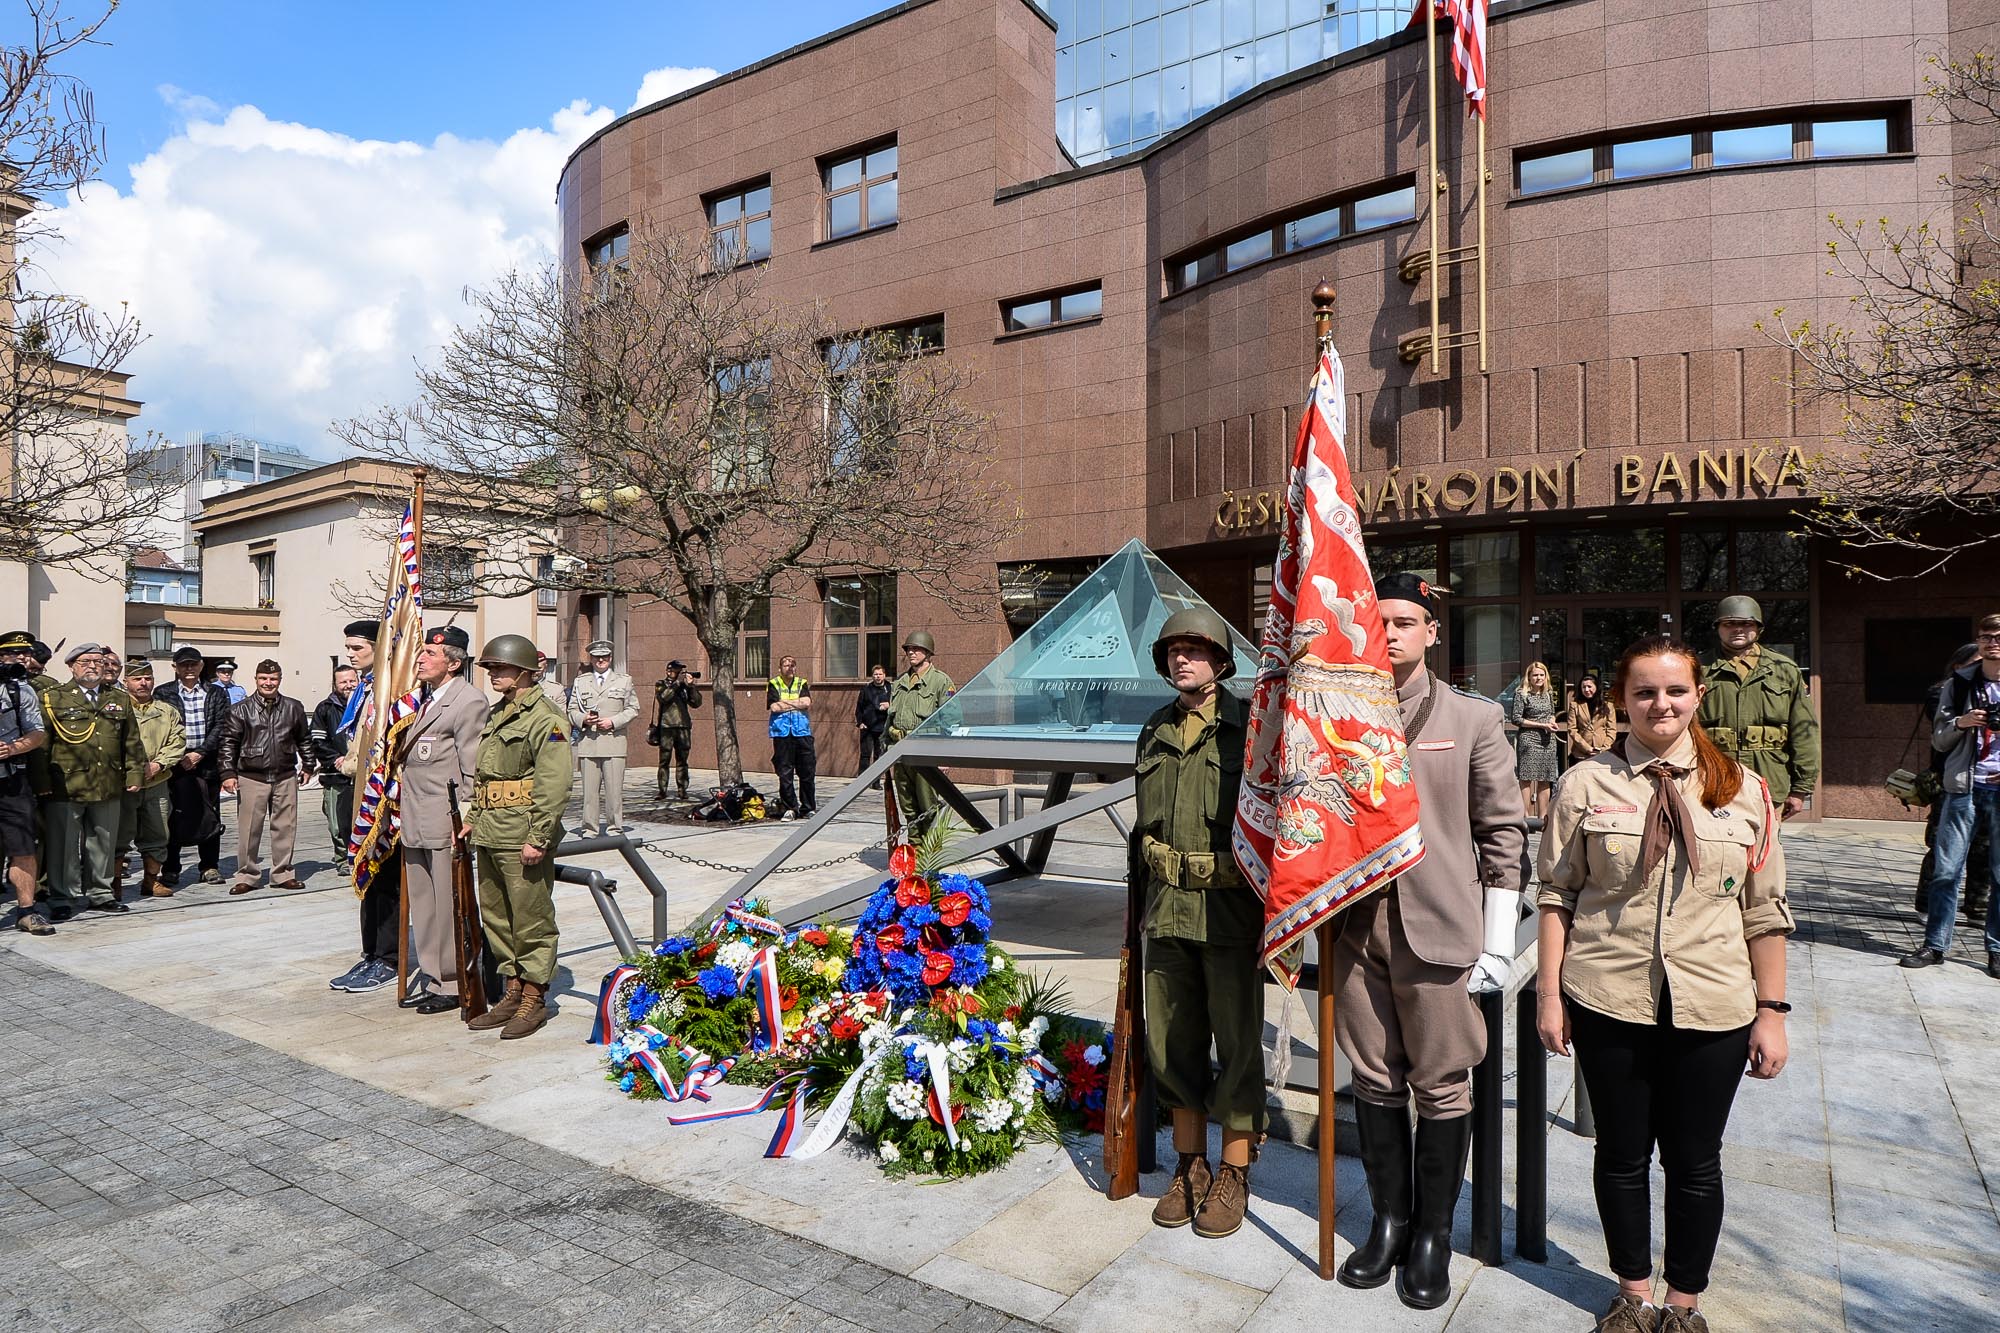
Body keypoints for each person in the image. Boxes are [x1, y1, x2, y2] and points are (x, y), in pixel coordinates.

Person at [1537, 635, 1793, 1333]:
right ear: (1622, 698)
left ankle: (1684, 1304)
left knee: (1694, 1160)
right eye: (1644, 691)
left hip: (1713, 1006)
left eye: (1675, 690)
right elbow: (1557, 894)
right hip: (1607, 998)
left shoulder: (1743, 788)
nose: (1660, 703)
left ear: (1698, 696)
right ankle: (1633, 1291)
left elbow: (1765, 911)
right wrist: (1550, 995)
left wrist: (1771, 1012)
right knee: (1619, 1155)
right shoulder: (1585, 783)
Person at [1334, 574, 1529, 1308]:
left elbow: (1502, 831)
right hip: (1358, 927)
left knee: (1442, 1083)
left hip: (1441, 931)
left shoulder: (1473, 718)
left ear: (1431, 633)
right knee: (1375, 1079)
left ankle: (1431, 1236)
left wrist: (1499, 940)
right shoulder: (1341, 717)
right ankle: (1388, 1218)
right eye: (1379, 620)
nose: (1391, 633)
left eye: (1406, 621)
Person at [1132, 608, 1261, 1239]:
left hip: (1229, 917)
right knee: (1172, 1045)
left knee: (1236, 1046)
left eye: (1194, 650)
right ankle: (1191, 1165)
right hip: (1167, 916)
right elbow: (1144, 830)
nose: (1181, 660)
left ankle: (1235, 1169)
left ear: (1220, 660)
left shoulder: (1250, 729)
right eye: (1173, 652)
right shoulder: (1153, 730)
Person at [467, 634, 575, 1039]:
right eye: (491, 668)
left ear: (525, 671)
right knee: (496, 916)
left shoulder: (546, 718)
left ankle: (534, 996)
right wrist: (474, 818)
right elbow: (487, 776)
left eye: (500, 667)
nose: (493, 673)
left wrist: (539, 837)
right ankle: (512, 989)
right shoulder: (500, 714)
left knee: (531, 919)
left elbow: (554, 783)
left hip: (522, 832)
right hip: (492, 830)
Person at [396, 626, 488, 1015]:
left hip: (445, 818)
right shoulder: (427, 699)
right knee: (424, 903)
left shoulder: (468, 702)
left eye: (430, 655)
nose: (421, 660)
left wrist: (467, 819)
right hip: (416, 816)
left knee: (448, 902)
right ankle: (433, 974)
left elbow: (472, 768)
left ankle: (452, 982)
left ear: (454, 662)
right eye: (422, 654)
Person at [1901, 614, 2000, 976]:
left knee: (1999, 876)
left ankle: (1996, 949)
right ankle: (1935, 944)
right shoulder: (1958, 685)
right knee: (1945, 872)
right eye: (1986, 636)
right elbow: (1939, 738)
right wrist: (1961, 722)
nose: (1992, 642)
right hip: (1963, 790)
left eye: (1998, 635)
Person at [41, 643, 145, 918]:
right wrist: (41, 782)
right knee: (63, 844)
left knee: (103, 841)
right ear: (71, 666)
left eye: (99, 661)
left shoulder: (119, 699)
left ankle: (101, 893)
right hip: (66, 783)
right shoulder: (54, 698)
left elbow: (131, 741)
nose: (94, 666)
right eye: (86, 661)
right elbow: (43, 744)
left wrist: (134, 774)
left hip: (106, 781)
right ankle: (62, 896)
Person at [1697, 595, 1819, 822]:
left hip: (1768, 782)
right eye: (1729, 624)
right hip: (1712, 780)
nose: (1738, 630)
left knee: (1766, 854)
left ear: (1758, 628)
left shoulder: (1784, 669)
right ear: (1718, 628)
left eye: (1746, 624)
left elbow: (1804, 732)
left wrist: (1801, 788)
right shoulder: (1697, 669)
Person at [329, 620, 400, 993]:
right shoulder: (368, 687)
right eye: (349, 648)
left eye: (357, 648)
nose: (351, 655)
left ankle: (388, 957)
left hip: (383, 798)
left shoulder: (390, 687)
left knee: (385, 878)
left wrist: (355, 764)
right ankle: (370, 952)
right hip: (361, 792)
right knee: (367, 877)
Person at [218, 659, 312, 894]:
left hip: (285, 774)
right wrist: (228, 773)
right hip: (252, 775)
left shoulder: (293, 707)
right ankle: (247, 876)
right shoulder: (240, 709)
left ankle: (283, 874)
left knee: (285, 826)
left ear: (279, 680)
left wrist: (309, 765)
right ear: (256, 680)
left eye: (273, 679)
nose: (268, 683)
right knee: (249, 829)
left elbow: (304, 739)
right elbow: (229, 743)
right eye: (263, 679)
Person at [115, 657, 185, 899]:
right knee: (118, 834)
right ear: (126, 682)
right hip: (123, 785)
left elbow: (178, 742)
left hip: (157, 782)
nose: (143, 683)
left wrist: (158, 764)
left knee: (158, 833)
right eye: (137, 679)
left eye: (148, 678)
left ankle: (150, 881)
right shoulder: (115, 709)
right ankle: (114, 884)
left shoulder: (167, 712)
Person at [160, 646, 229, 888]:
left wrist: (200, 753)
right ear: (175, 668)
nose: (189, 669)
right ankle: (171, 868)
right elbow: (162, 728)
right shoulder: (163, 693)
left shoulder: (216, 693)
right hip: (175, 763)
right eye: (183, 665)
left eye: (193, 664)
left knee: (209, 815)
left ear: (201, 665)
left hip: (207, 762)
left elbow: (222, 725)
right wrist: (178, 755)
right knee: (174, 815)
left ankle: (209, 866)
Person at [0, 630, 49, 934]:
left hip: (12, 782)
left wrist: (13, 748)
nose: (20, 659)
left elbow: (37, 733)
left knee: (23, 848)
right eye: (12, 654)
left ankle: (26, 911)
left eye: (25, 654)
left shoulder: (22, 690)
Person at [569, 638, 638, 836]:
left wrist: (613, 721)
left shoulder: (624, 680)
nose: (601, 660)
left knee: (614, 792)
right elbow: (571, 709)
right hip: (589, 743)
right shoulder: (581, 682)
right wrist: (583, 719)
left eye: (605, 657)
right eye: (597, 657)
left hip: (613, 742)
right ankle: (589, 828)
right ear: (591, 659)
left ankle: (615, 827)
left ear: (610, 658)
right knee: (589, 793)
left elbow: (633, 709)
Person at [887, 631, 954, 830]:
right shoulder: (900, 683)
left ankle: (931, 854)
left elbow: (951, 721)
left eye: (916, 649)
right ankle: (915, 852)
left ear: (927, 652)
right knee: (908, 807)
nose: (911, 652)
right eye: (909, 649)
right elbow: (889, 720)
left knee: (928, 806)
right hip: (900, 752)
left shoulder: (941, 682)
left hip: (926, 752)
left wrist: (945, 756)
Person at [310, 665, 360, 877]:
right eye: (343, 682)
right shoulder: (325, 708)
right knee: (337, 824)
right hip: (335, 775)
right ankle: (342, 859)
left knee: (360, 819)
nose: (348, 685)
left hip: (361, 776)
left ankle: (360, 858)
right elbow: (317, 741)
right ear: (335, 684)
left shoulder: (366, 704)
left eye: (352, 680)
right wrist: (337, 760)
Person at [1510, 660, 1562, 818]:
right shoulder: (1521, 694)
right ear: (1529, 677)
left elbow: (1552, 713)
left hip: (1547, 740)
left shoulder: (1548, 693)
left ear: (1546, 676)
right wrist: (1541, 725)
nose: (1539, 678)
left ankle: (1543, 817)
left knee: (1545, 778)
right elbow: (1516, 719)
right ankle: (1524, 816)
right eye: (1535, 675)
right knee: (1526, 778)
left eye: (1542, 675)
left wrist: (1551, 722)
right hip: (1529, 740)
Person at [768, 654, 816, 820]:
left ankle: (808, 807)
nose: (790, 668)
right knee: (785, 773)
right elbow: (774, 707)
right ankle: (790, 807)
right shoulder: (774, 683)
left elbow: (807, 703)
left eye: (793, 665)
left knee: (807, 772)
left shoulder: (801, 683)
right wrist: (796, 703)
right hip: (782, 733)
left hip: (802, 732)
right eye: (786, 665)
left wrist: (785, 703)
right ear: (780, 668)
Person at [653, 660, 700, 800]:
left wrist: (691, 687)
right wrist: (676, 684)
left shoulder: (684, 687)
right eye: (676, 671)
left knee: (682, 760)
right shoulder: (661, 684)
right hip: (666, 727)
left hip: (683, 727)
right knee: (664, 760)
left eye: (681, 671)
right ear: (668, 671)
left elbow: (696, 703)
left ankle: (682, 789)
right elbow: (663, 698)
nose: (679, 674)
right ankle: (662, 790)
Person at [1568, 674, 1619, 764]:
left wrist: (1604, 748)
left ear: (1596, 687)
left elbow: (1611, 729)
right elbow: (1572, 730)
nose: (1586, 690)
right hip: (1581, 753)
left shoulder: (1608, 706)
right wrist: (1587, 748)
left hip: (1603, 751)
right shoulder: (1575, 705)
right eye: (1584, 687)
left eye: (1589, 686)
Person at [855, 662, 891, 779]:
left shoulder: (890, 688)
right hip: (867, 727)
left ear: (884, 675)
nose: (878, 676)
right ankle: (861, 780)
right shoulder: (866, 689)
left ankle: (876, 781)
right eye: (875, 674)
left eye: (880, 674)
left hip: (883, 728)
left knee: (879, 755)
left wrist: (889, 705)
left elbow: (898, 705)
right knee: (865, 755)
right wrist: (860, 723)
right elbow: (859, 707)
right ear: (872, 676)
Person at [535, 650, 568, 716]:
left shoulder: (556, 690)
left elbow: (561, 717)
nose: (535, 672)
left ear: (545, 668)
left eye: (539, 668)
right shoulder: (519, 687)